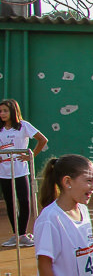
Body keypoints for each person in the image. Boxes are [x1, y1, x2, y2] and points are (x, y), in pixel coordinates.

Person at [0, 98, 47, 246]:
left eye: (5, 110)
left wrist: (30, 155)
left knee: (24, 201)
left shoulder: (23, 126)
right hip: (4, 172)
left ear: (13, 111)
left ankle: (23, 235)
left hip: (20, 171)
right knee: (9, 202)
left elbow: (42, 140)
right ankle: (16, 235)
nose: (2, 114)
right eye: (0, 111)